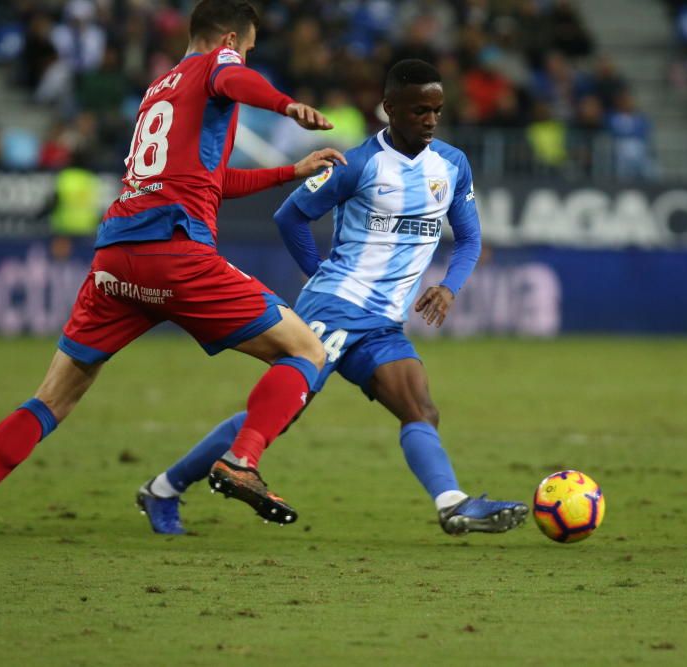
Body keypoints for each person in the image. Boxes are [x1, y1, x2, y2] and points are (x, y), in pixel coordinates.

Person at [0, 0, 345, 543]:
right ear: (226, 40)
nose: (244, 57)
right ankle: (242, 460)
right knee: (307, 350)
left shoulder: (158, 90)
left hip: (116, 261)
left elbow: (212, 183)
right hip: (175, 254)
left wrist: (292, 170)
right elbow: (235, 78)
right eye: (245, 47)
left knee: (53, 397)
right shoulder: (217, 66)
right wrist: (288, 106)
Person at [137, 59, 529, 536]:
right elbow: (291, 216)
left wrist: (448, 287)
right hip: (336, 306)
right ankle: (166, 488)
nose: (429, 120)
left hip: (383, 322)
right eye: (418, 110)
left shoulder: (451, 165)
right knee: (278, 415)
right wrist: (322, 277)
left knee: (420, 408)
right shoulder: (358, 163)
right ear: (389, 109)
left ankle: (453, 504)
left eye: (437, 110)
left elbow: (468, 238)